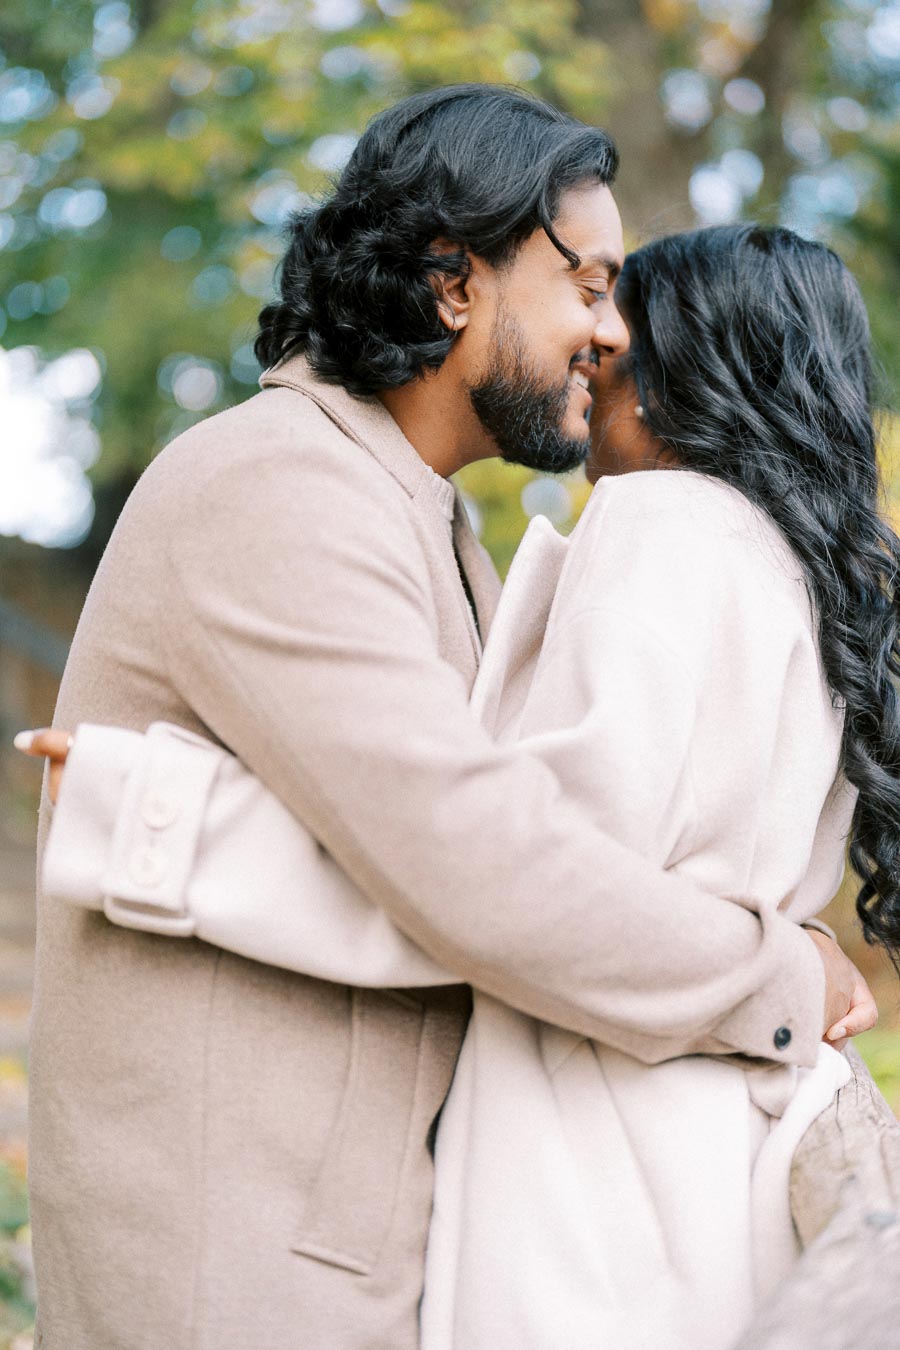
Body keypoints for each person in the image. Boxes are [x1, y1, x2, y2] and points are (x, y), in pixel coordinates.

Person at [20, 85, 873, 1350]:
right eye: (587, 285)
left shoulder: (426, 522)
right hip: (241, 1264)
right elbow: (486, 867)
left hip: (355, 1243)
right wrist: (775, 975)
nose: (608, 332)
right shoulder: (279, 485)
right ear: (452, 282)